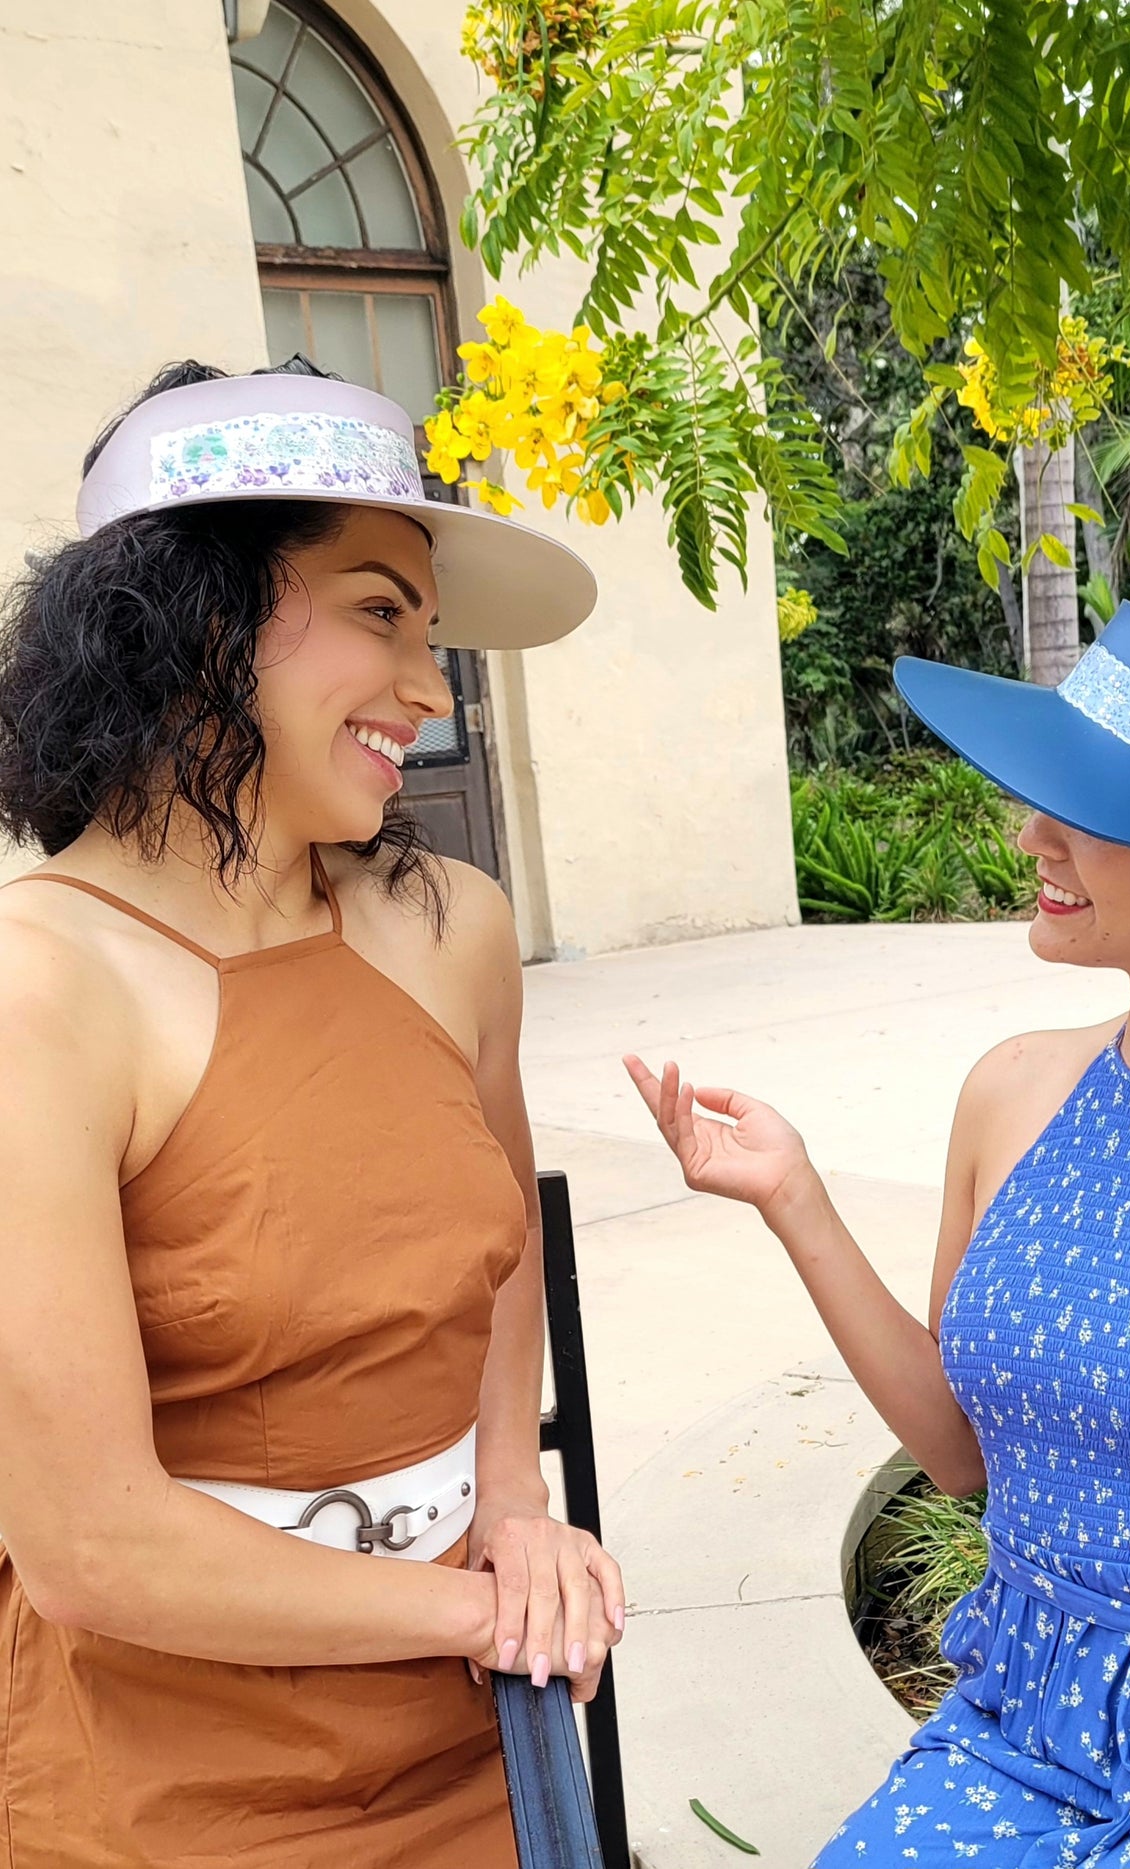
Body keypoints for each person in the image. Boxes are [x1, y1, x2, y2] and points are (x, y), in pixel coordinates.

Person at [627, 582, 1130, 1866]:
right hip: (1022, 1721)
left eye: (1087, 807)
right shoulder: (1010, 1088)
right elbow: (961, 1458)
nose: (1029, 838)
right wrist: (795, 1202)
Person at [0, 358, 623, 1867]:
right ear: (194, 618)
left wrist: (511, 1506)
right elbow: (88, 1545)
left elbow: (500, 1264)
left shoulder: (451, 925)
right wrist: (480, 1608)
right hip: (173, 1776)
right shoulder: (42, 991)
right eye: (378, 610)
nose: (430, 686)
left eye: (430, 629)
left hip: (470, 1733)